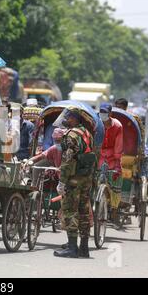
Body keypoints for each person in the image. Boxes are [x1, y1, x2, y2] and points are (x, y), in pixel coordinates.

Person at [53, 107, 96, 259]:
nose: (66, 119)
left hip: (74, 179)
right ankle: (84, 248)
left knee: (70, 210)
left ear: (75, 119)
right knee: (84, 211)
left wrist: (62, 181)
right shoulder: (86, 133)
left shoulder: (71, 135)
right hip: (86, 178)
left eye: (69, 117)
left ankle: (72, 248)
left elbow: (67, 160)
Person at [98, 103, 124, 222]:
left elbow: (118, 145)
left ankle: (114, 208)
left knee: (116, 179)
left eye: (105, 113)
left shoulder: (117, 126)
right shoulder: (96, 123)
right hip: (99, 154)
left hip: (113, 156)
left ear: (110, 114)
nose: (103, 115)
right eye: (101, 112)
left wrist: (118, 164)